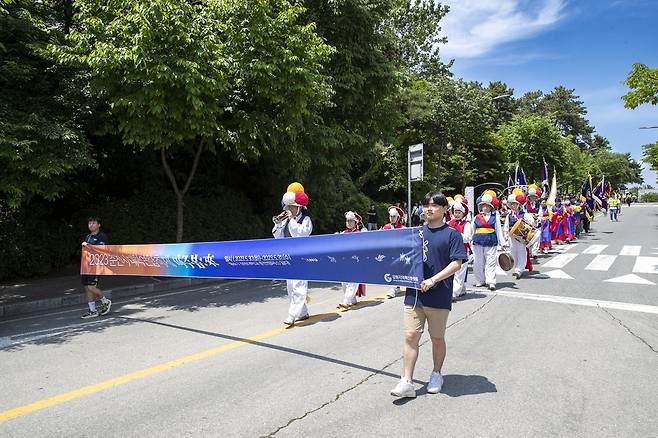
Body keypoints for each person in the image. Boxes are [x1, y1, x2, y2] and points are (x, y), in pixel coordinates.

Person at [390, 192, 467, 398]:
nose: (428, 208)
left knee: (436, 338)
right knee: (410, 336)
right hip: (414, 294)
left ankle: (436, 374)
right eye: (426, 205)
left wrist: (434, 279)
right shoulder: (415, 233)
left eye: (434, 205)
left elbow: (457, 263)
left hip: (439, 294)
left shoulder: (452, 234)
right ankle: (407, 381)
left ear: (444, 209)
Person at [273, 184, 313, 326]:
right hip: (289, 257)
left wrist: (291, 220)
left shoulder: (306, 220)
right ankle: (302, 313)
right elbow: (277, 237)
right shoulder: (285, 220)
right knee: (291, 287)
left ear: (299, 207)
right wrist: (279, 224)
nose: (288, 209)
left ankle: (292, 314)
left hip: (302, 257)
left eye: (292, 207)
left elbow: (300, 233)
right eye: (288, 207)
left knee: (299, 286)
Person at [471, 193, 506, 291]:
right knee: (478, 262)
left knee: (491, 262)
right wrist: (469, 241)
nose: (485, 208)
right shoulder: (476, 217)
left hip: (491, 241)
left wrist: (502, 243)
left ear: (490, 207)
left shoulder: (495, 217)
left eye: (487, 206)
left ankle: (491, 282)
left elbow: (499, 230)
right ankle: (480, 280)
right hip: (477, 242)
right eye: (483, 206)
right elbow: (471, 231)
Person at [81, 217, 112, 319]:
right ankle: (92, 310)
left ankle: (105, 301)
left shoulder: (102, 236)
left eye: (94, 223)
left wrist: (87, 245)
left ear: (99, 225)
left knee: (91, 287)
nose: (91, 225)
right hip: (86, 265)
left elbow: (100, 249)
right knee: (87, 288)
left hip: (96, 266)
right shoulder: (88, 236)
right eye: (89, 223)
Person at [337, 211, 367, 309]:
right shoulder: (343, 233)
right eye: (347, 221)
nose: (349, 223)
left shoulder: (360, 233)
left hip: (356, 262)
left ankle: (346, 300)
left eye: (351, 221)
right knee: (344, 283)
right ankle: (352, 299)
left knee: (352, 282)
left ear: (355, 222)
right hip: (345, 262)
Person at [503, 194, 535, 279]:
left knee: (521, 253)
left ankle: (519, 270)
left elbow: (532, 222)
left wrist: (526, 225)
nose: (513, 206)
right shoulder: (509, 216)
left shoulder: (524, 214)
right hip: (512, 237)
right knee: (513, 252)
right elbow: (506, 226)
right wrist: (506, 234)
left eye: (515, 204)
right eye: (512, 204)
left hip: (521, 237)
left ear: (519, 205)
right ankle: (516, 267)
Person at [447, 200, 472, 300]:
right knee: (452, 272)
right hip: (451, 250)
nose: (456, 214)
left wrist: (455, 235)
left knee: (459, 272)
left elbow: (467, 238)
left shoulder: (467, 225)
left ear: (463, 214)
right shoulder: (449, 223)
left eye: (459, 212)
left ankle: (454, 292)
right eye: (455, 212)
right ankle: (461, 289)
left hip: (462, 250)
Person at [382, 206, 406, 298]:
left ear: (398, 217)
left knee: (396, 270)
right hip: (388, 253)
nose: (392, 218)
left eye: (394, 216)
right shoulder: (386, 227)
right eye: (390, 216)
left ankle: (393, 289)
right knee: (390, 270)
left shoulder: (403, 228)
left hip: (398, 253)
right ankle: (397, 287)